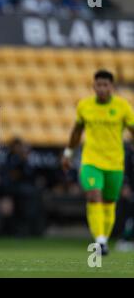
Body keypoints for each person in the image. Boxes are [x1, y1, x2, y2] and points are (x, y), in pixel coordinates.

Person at [62, 70, 134, 255]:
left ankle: (104, 239)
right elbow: (77, 131)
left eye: (105, 85)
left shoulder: (123, 106)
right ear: (93, 86)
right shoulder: (85, 106)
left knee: (109, 203)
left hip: (115, 164)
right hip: (91, 161)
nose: (102, 88)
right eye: (98, 85)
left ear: (112, 87)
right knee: (94, 195)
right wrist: (68, 153)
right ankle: (100, 241)